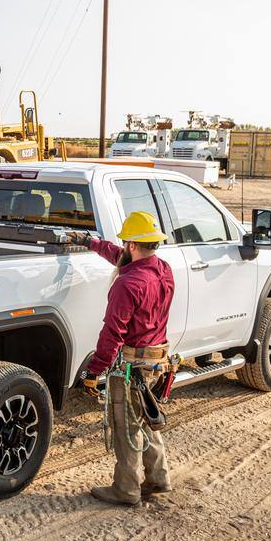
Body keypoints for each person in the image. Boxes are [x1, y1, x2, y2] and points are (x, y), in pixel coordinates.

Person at [69, 211, 175, 506]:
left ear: (131, 244)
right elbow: (121, 257)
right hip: (156, 360)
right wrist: (92, 243)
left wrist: (94, 370)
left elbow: (112, 333)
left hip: (131, 365)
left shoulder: (127, 285)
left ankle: (126, 489)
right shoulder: (164, 270)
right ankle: (158, 477)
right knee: (145, 419)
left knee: (127, 427)